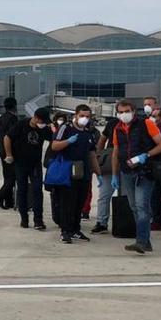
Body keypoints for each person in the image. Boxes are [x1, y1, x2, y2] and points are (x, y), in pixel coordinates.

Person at [112, 99, 161, 254]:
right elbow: (116, 152)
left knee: (142, 206)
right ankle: (145, 241)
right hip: (126, 172)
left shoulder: (146, 124)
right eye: (121, 112)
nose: (124, 115)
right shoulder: (118, 129)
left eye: (127, 111)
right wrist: (115, 175)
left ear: (133, 111)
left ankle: (141, 241)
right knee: (134, 208)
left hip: (145, 171)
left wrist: (146, 155)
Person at [49, 104, 101, 243]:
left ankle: (75, 229)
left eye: (87, 116)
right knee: (67, 202)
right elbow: (54, 145)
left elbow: (92, 154)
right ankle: (65, 230)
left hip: (83, 172)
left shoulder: (88, 133)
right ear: (75, 116)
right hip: (68, 170)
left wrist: (98, 173)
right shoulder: (66, 128)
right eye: (82, 116)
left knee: (79, 202)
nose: (85, 119)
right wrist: (68, 141)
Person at [3, 107, 52, 230]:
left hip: (35, 164)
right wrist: (9, 155)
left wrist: (53, 128)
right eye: (41, 121)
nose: (42, 124)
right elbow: (7, 138)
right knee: (22, 190)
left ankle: (38, 220)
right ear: (35, 118)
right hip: (20, 162)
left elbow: (54, 139)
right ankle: (24, 218)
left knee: (37, 191)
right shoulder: (22, 124)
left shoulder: (44, 129)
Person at [91, 117, 119, 234]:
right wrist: (99, 156)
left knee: (129, 196)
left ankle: (128, 222)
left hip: (128, 162)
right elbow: (102, 140)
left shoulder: (138, 124)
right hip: (110, 161)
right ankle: (102, 222)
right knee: (104, 194)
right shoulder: (113, 123)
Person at [0, 97, 19, 210]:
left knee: (7, 176)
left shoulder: (1, 118)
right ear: (14, 106)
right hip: (9, 151)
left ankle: (9, 201)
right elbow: (12, 136)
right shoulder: (13, 119)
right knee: (12, 177)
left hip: (1, 150)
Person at [46, 112, 69, 227]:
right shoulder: (52, 128)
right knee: (54, 192)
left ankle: (62, 218)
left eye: (62, 119)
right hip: (53, 161)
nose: (60, 121)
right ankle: (57, 216)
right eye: (59, 119)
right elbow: (53, 147)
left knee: (62, 193)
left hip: (63, 164)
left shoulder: (67, 129)